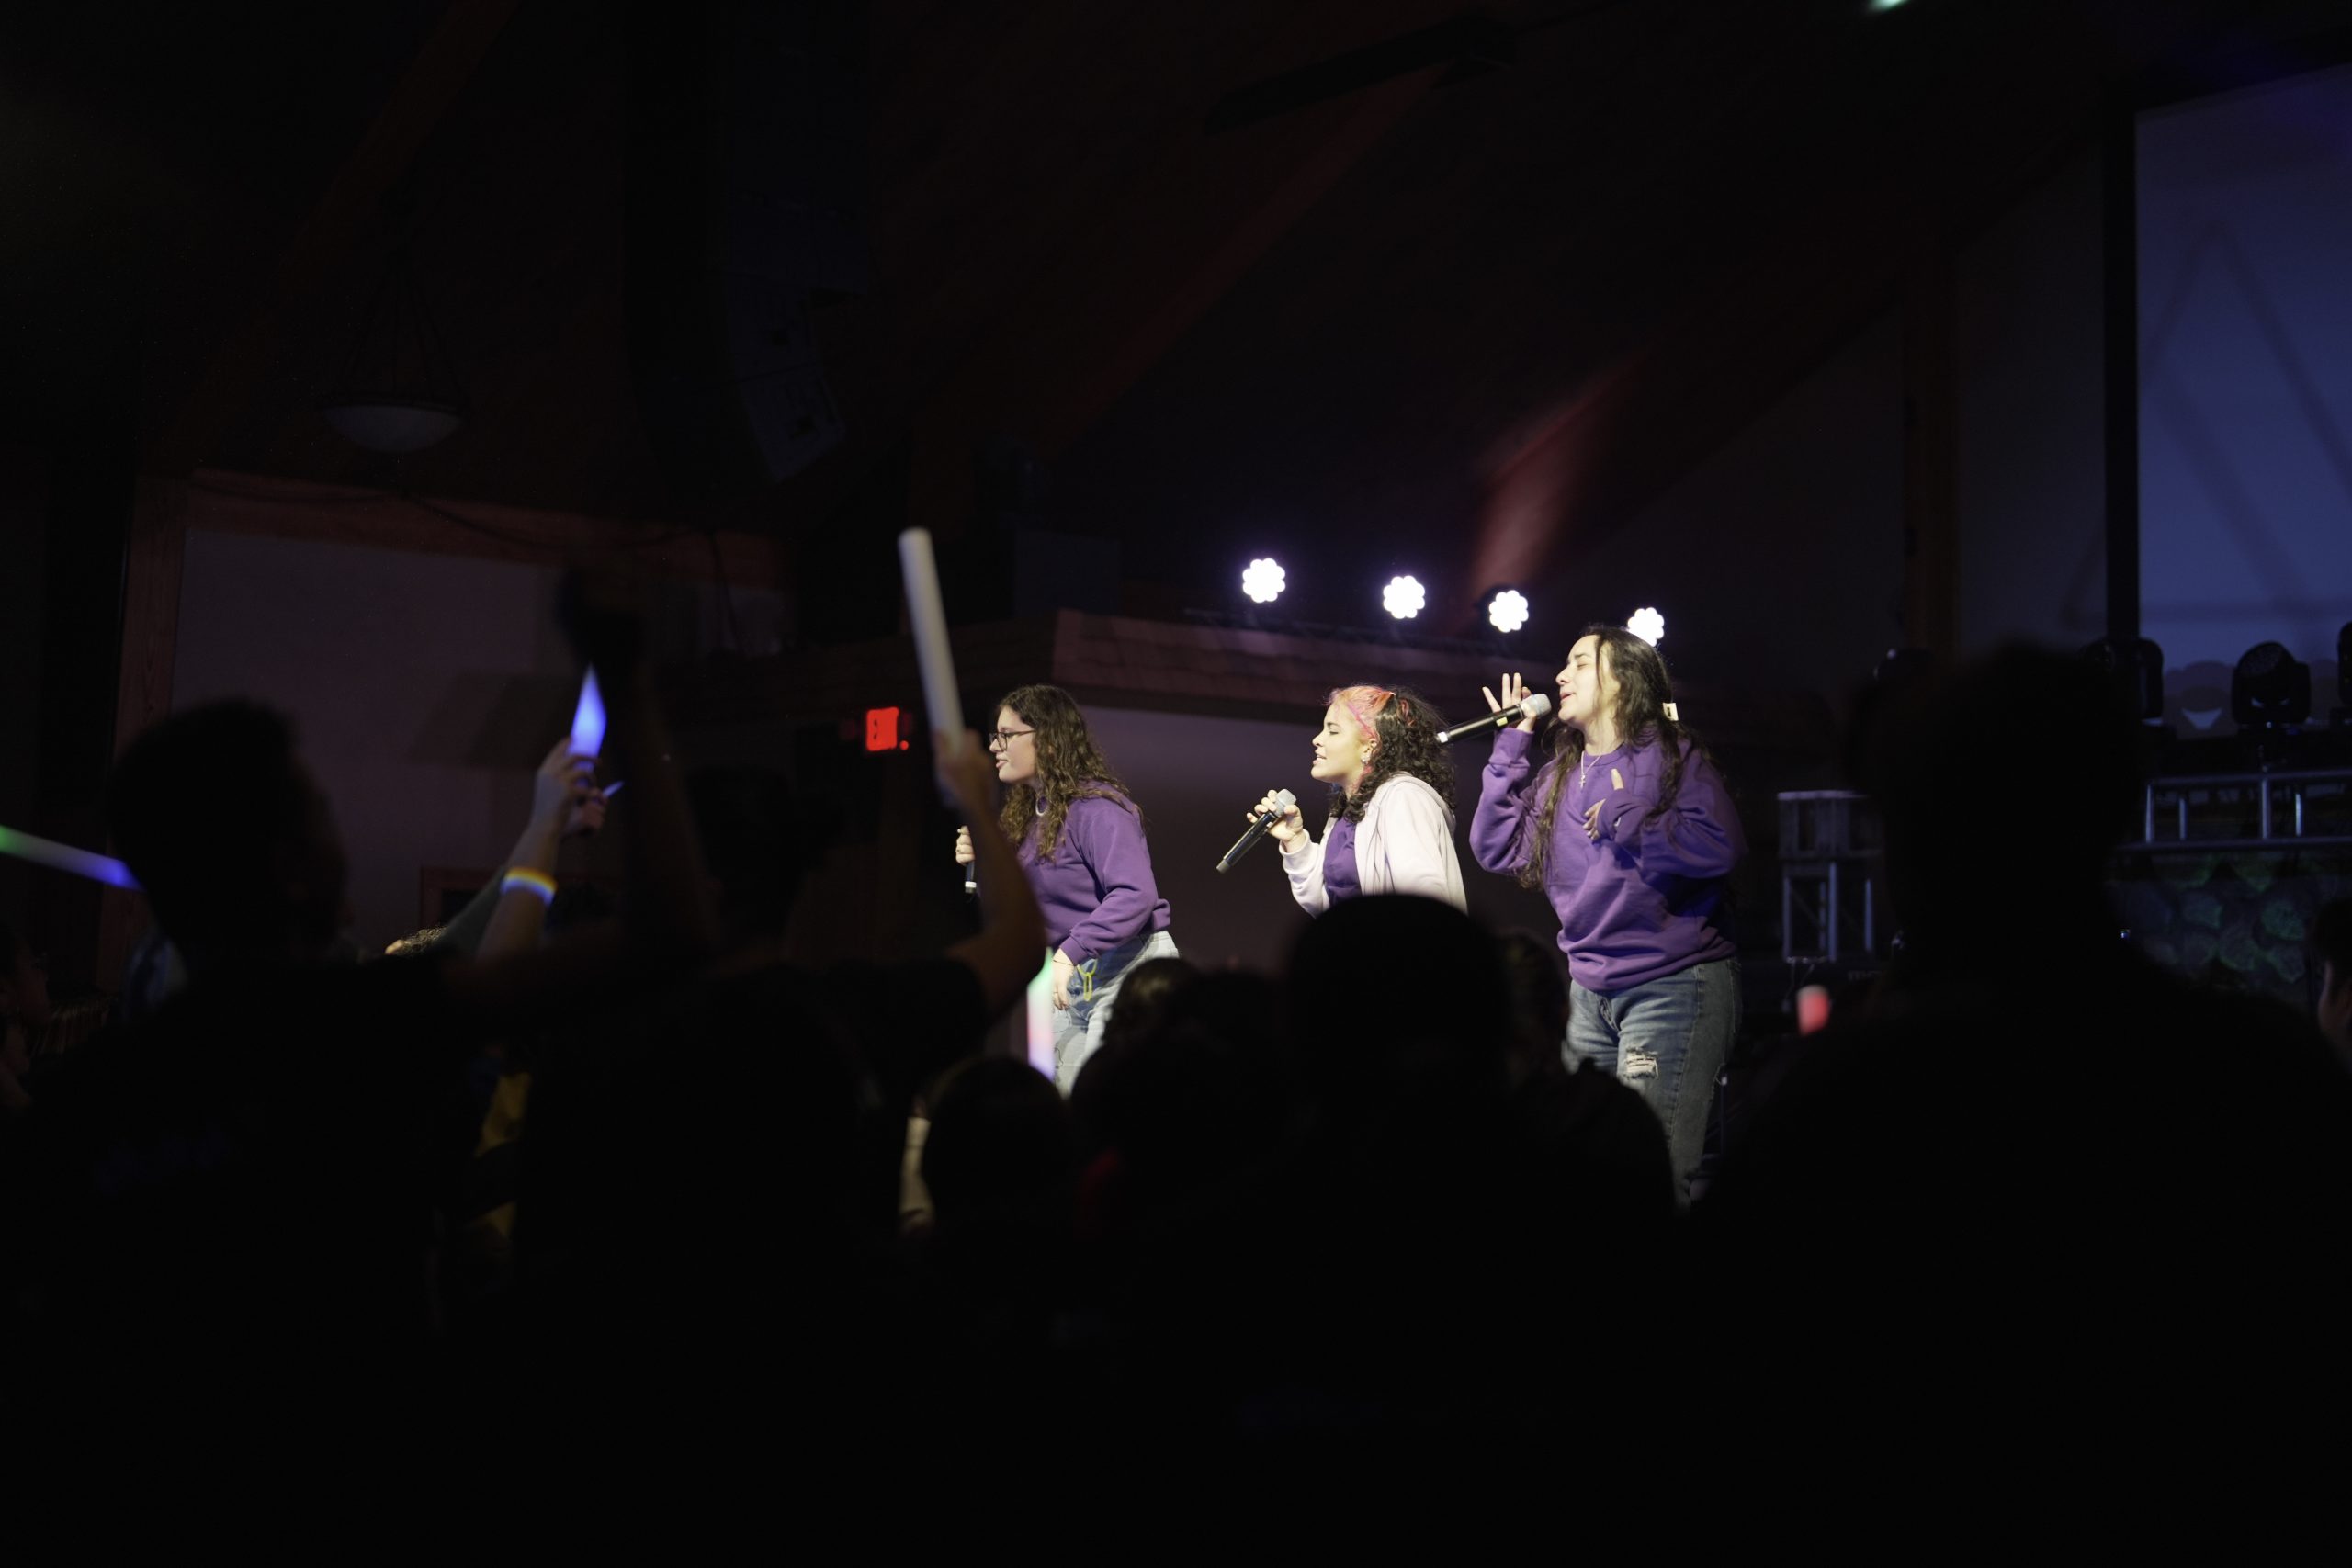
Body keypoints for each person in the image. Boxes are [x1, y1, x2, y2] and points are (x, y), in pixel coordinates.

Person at [1468, 626, 1745, 1203]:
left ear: (1622, 679)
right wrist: (1511, 746)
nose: (1560, 676)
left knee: (1650, 1178)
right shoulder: (1559, 775)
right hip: (1589, 991)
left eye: (1579, 663)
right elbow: (1496, 846)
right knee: (1580, 1172)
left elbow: (1719, 846)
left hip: (1670, 984)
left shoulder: (1670, 755)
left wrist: (1626, 814)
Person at [955, 684, 1175, 1091]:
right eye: (994, 736)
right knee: (1069, 1096)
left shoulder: (1098, 808)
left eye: (1007, 735)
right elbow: (1017, 909)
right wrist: (983, 862)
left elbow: (1135, 895)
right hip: (1073, 976)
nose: (995, 747)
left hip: (1127, 967)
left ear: (1049, 741)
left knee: (1108, 1093)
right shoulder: (1027, 814)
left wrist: (1070, 952)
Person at [1249, 685, 1465, 914]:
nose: (1317, 739)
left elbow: (1424, 894)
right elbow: (1324, 902)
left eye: (1333, 731)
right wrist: (1295, 840)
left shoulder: (1403, 796)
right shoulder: (1348, 812)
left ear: (1371, 746)